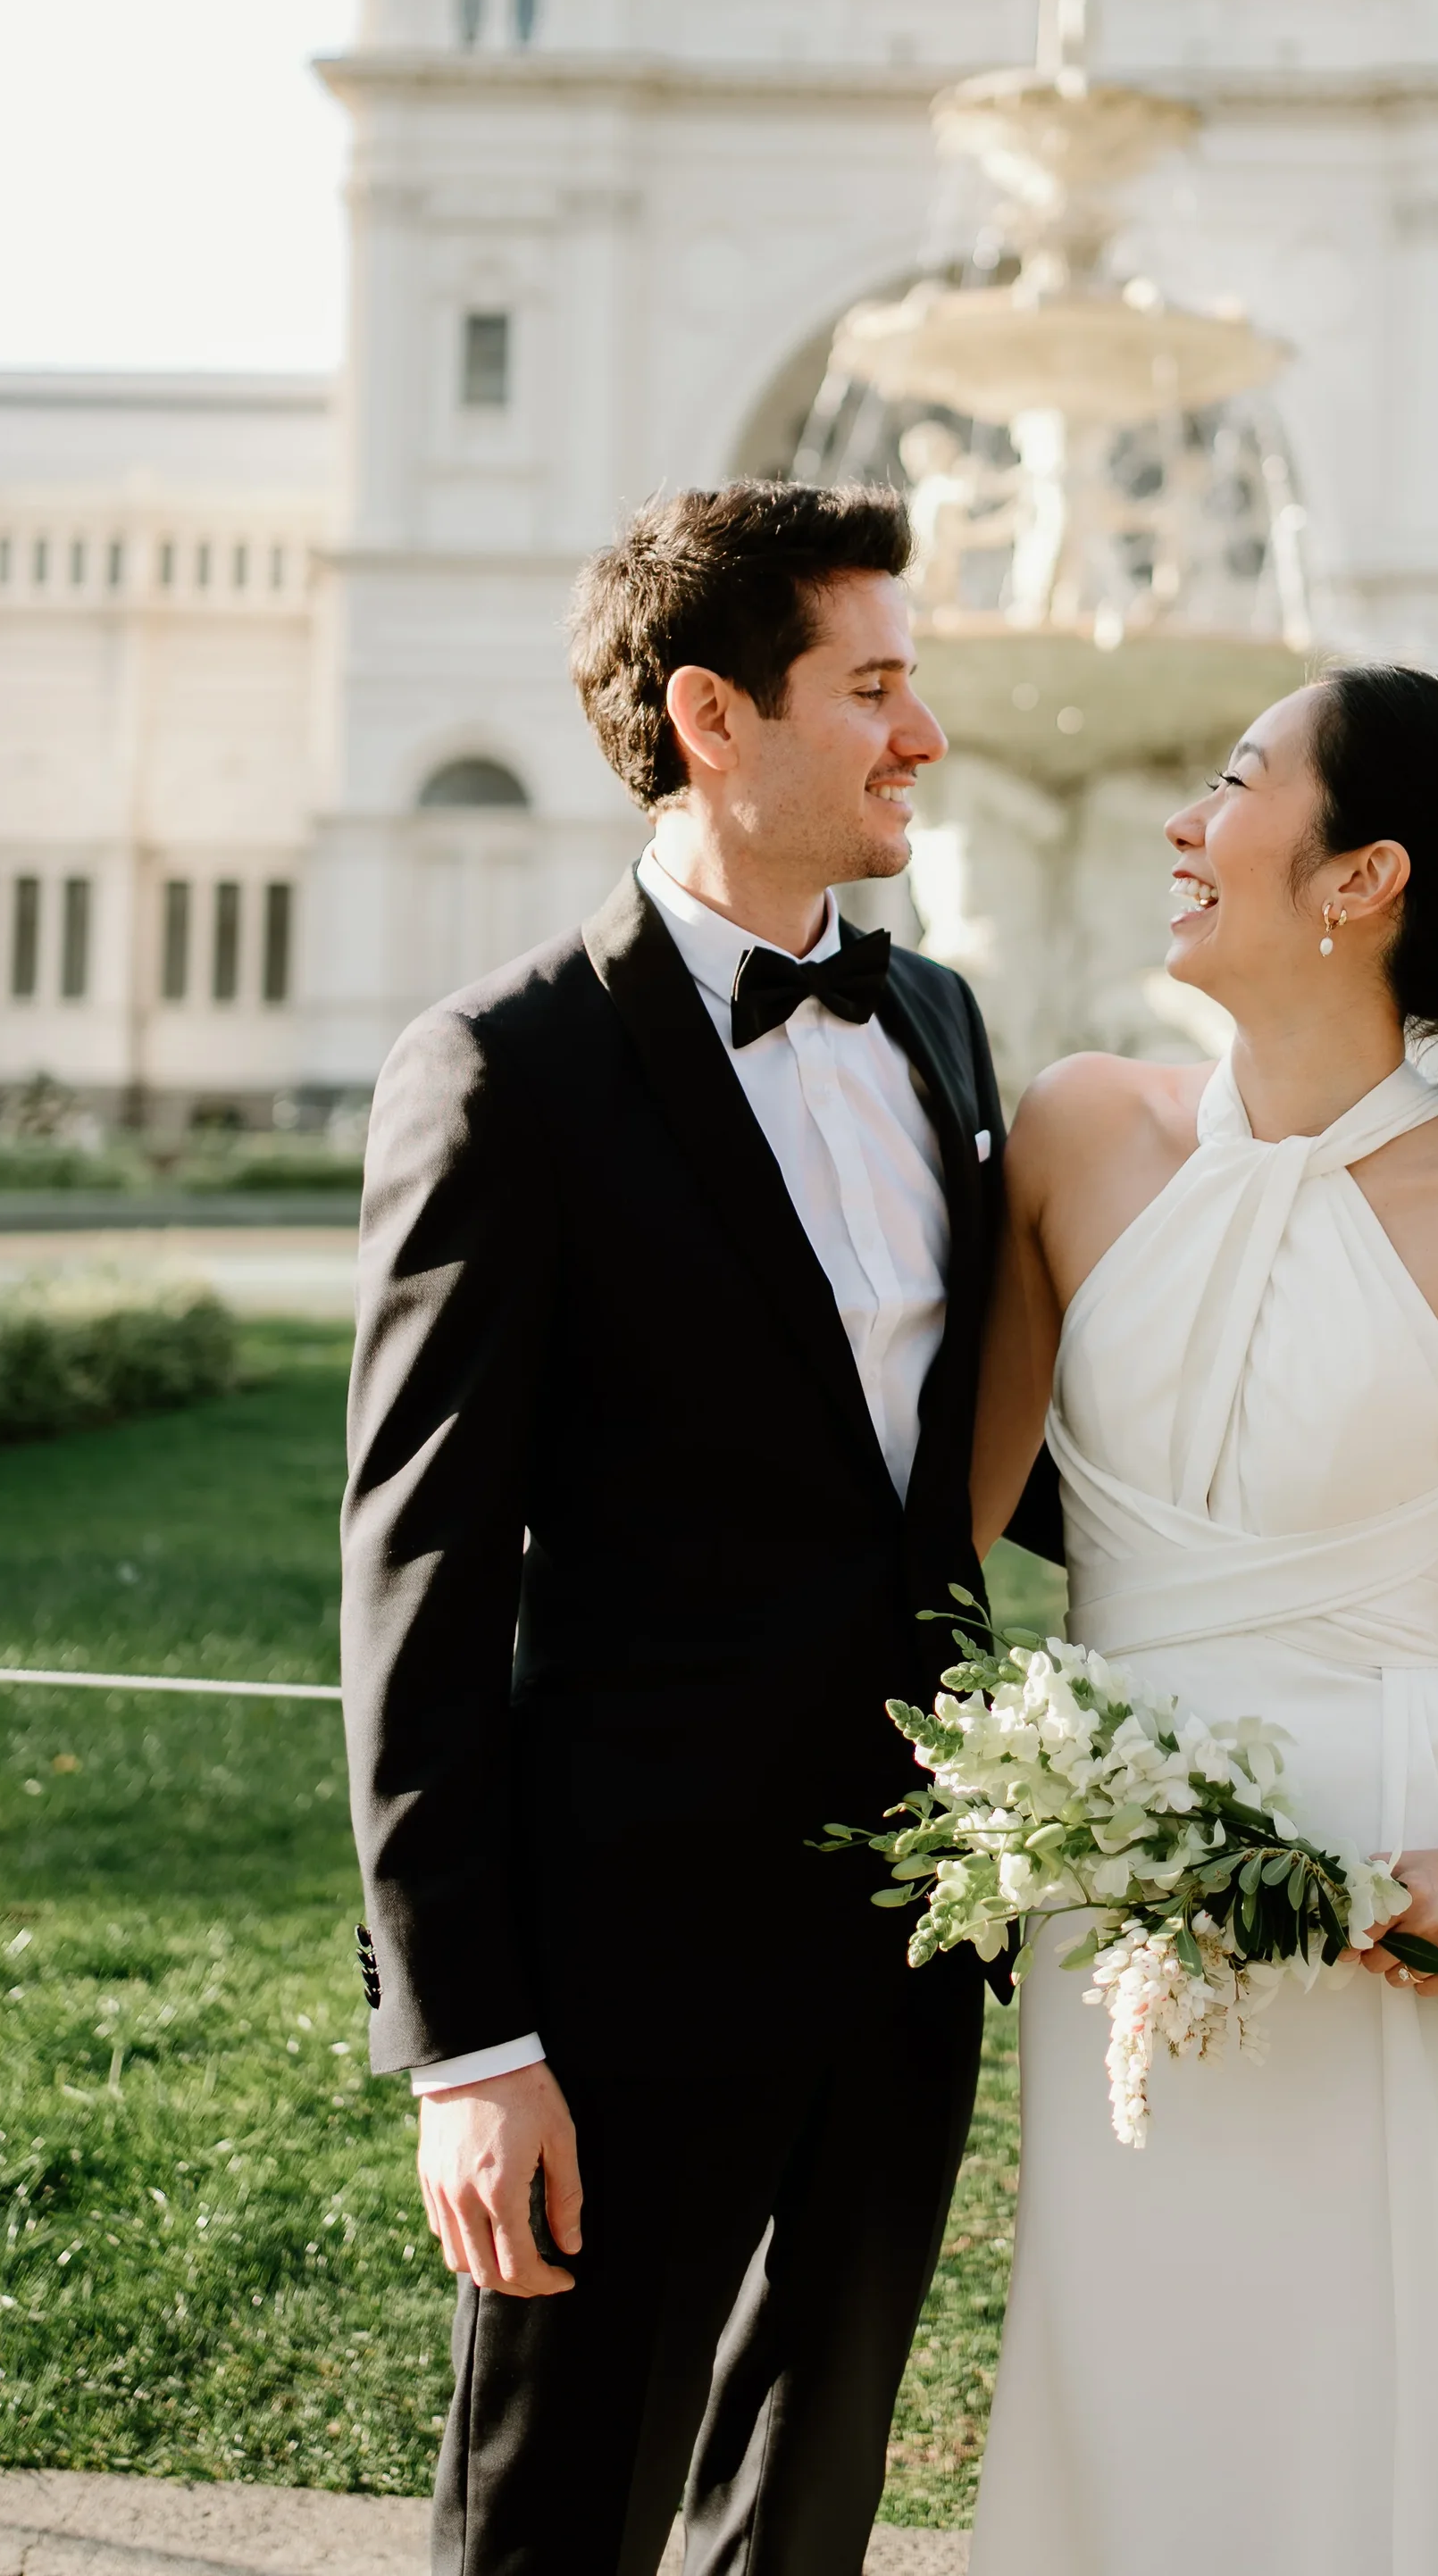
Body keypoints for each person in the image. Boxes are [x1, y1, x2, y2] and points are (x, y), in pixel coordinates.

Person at [964, 664, 1438, 2576]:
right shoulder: (1074, 1132)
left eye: (1231, 783)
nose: (1179, 821)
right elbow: (946, 1530)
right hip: (1108, 1881)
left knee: (1372, 2398)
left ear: (1357, 875)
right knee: (1134, 2373)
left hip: (1399, 1882)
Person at [339, 481, 1008, 2576]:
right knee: (558, 2527)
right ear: (712, 718)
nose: (920, 736)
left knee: (800, 2521)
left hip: (911, 1942)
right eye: (874, 688)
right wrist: (467, 2042)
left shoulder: (937, 1025)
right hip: (618, 1975)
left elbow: (945, 1432)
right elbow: (418, 1586)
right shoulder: (499, 1073)